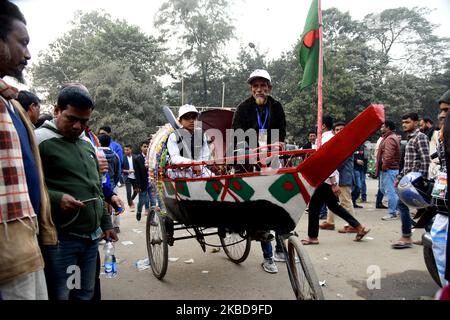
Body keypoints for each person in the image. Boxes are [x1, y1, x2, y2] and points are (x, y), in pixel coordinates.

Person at [35, 85, 118, 300]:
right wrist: (55, 198)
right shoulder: (39, 140)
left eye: (84, 121)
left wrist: (106, 223)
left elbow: (96, 186)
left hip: (90, 239)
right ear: (56, 110)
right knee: (61, 294)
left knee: (85, 294)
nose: (77, 126)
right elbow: (27, 184)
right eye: (71, 119)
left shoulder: (86, 143)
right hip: (61, 240)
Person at [0, 0, 57, 300]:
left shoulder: (11, 105)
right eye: (21, 43)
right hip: (7, 257)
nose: (28, 54)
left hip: (28, 247)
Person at [231, 69, 286, 274]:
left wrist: (275, 146)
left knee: (280, 204)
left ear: (269, 88)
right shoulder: (243, 108)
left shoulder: (277, 107)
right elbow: (237, 135)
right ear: (251, 89)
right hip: (249, 162)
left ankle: (281, 250)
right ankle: (268, 256)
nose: (259, 89)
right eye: (256, 86)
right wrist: (252, 149)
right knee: (261, 207)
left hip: (271, 158)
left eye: (263, 86)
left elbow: (281, 131)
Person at [302, 115, 370, 246]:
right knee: (332, 206)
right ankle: (358, 226)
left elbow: (328, 161)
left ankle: (313, 237)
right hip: (326, 178)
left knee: (316, 207)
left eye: (318, 124)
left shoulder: (324, 139)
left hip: (326, 178)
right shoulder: (327, 138)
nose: (317, 127)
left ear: (322, 125)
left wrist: (333, 183)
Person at [391, 112, 430, 249]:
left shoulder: (421, 137)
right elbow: (408, 163)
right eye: (403, 123)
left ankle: (407, 236)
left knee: (419, 207)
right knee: (426, 209)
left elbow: (425, 160)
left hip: (416, 180)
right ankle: (430, 237)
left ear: (416, 122)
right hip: (407, 179)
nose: (404, 125)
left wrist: (422, 180)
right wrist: (399, 177)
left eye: (407, 122)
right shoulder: (410, 138)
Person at [320, 122, 356, 233]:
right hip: (336, 177)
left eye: (342, 129)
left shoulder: (347, 143)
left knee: (345, 201)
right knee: (331, 200)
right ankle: (330, 222)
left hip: (344, 176)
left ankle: (353, 225)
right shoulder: (338, 143)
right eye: (337, 130)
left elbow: (338, 162)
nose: (339, 131)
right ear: (334, 132)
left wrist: (329, 169)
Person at [433, 89, 450, 286]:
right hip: (442, 204)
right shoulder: (441, 135)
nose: (442, 114)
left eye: (447, 110)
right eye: (441, 110)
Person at [376, 121, 401, 221]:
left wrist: (384, 167)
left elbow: (388, 155)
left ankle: (392, 213)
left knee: (390, 191)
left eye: (383, 126)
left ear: (388, 128)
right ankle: (399, 209)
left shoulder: (390, 139)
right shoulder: (389, 137)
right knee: (385, 190)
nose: (381, 128)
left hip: (389, 169)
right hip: (389, 169)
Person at [134, 140, 152, 222]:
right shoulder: (137, 159)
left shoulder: (152, 157)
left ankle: (151, 219)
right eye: (144, 146)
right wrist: (137, 185)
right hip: (142, 183)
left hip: (151, 183)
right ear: (141, 148)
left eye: (148, 146)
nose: (146, 148)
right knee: (142, 201)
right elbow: (137, 174)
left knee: (153, 201)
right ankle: (139, 211)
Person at [122, 144, 138, 211]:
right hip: (127, 177)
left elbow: (138, 167)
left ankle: (131, 199)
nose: (126, 151)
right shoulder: (123, 158)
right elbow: (120, 169)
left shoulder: (136, 157)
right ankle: (130, 204)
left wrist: (135, 170)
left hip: (135, 177)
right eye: (125, 150)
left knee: (136, 191)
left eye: (127, 150)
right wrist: (127, 171)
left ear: (131, 150)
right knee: (128, 191)